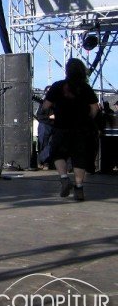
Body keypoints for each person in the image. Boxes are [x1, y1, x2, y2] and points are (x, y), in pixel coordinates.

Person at [41, 58, 98, 201]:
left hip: (61, 126)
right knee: (79, 158)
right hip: (81, 128)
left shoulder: (57, 86)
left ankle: (64, 178)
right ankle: (79, 188)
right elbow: (95, 108)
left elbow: (45, 106)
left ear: (67, 71)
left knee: (57, 154)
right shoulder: (85, 88)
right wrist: (88, 118)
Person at [35, 85, 54, 169]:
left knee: (51, 144)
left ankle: (45, 161)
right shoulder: (43, 103)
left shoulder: (57, 103)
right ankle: (41, 162)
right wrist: (50, 117)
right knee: (43, 143)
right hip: (44, 125)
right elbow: (39, 116)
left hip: (54, 126)